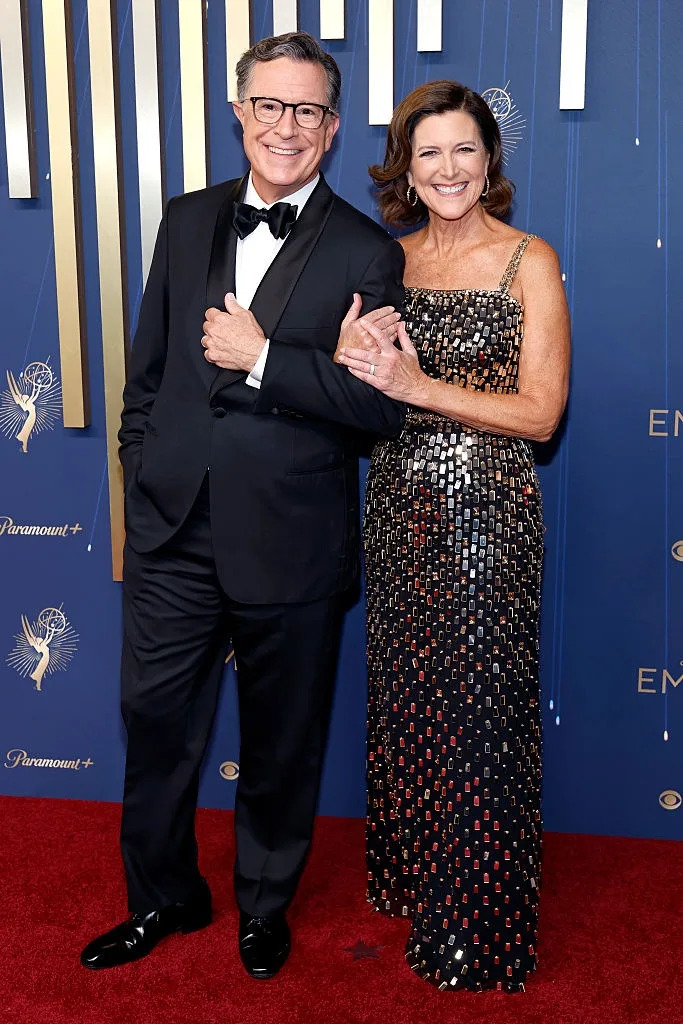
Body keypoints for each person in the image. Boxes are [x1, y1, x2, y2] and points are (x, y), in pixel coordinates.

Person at [80, 32, 405, 980]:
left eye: (306, 110)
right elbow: (146, 378)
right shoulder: (183, 222)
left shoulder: (364, 250)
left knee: (280, 740)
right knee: (156, 727)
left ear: (334, 127)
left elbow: (376, 404)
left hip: (293, 540)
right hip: (174, 529)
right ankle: (163, 897)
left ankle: (265, 905)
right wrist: (144, 481)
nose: (285, 126)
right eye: (268, 105)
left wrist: (265, 358)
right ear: (238, 111)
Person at [336, 80, 570, 991]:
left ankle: (477, 920)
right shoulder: (388, 261)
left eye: (463, 150)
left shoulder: (527, 261)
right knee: (409, 703)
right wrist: (360, 367)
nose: (446, 169)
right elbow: (367, 388)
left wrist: (411, 386)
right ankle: (413, 880)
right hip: (398, 508)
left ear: (490, 161)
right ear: (405, 165)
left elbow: (542, 414)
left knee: (479, 712)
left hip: (491, 515)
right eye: (427, 152)